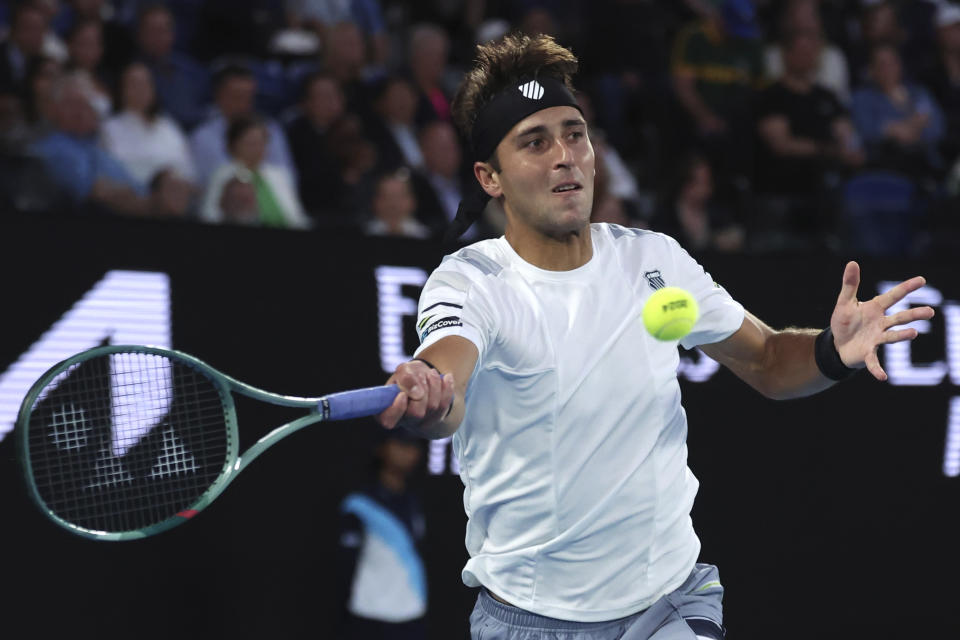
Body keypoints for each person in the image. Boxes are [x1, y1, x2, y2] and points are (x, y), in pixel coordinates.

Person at [374, 33, 935, 639]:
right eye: (535, 142)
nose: (565, 155)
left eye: (574, 133)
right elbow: (446, 383)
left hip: (670, 602)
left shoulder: (650, 258)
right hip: (533, 621)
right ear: (490, 177)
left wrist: (832, 349)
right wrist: (430, 392)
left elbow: (770, 360)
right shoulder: (471, 280)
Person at [336, 427, 428, 640]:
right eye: (401, 443)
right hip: (370, 616)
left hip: (412, 614)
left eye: (413, 446)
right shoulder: (358, 504)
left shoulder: (415, 501)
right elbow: (345, 565)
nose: (408, 451)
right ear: (382, 447)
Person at [199, 116, 309, 229]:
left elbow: (297, 217)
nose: (257, 148)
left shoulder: (279, 175)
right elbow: (209, 215)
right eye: (250, 143)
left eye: (261, 142)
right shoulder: (222, 174)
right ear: (233, 145)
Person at [101, 61, 196, 186]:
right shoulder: (109, 128)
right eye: (134, 84)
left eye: (146, 83)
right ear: (121, 90)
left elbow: (190, 172)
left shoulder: (168, 126)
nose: (141, 89)